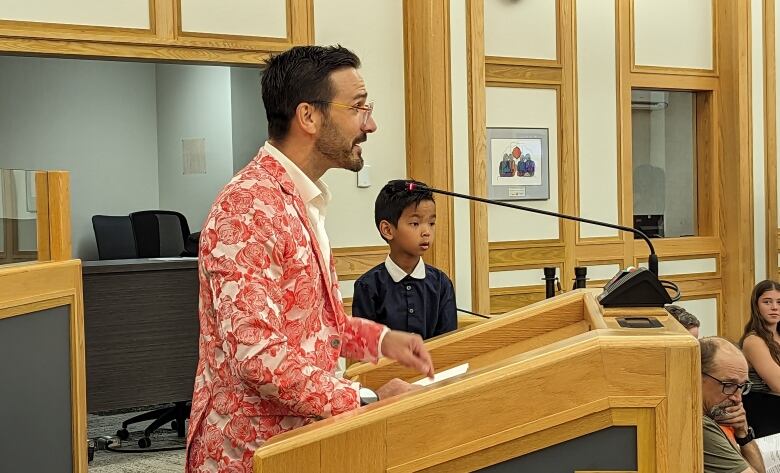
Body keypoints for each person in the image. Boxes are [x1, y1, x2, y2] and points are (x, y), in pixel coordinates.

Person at [185, 45, 435, 473]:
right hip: (250, 455)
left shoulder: (301, 200)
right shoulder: (248, 207)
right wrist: (367, 399)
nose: (369, 124)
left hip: (301, 442)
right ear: (309, 116)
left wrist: (379, 341)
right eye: (358, 108)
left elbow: (309, 324)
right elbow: (258, 357)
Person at [351, 180, 457, 340]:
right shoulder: (368, 287)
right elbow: (365, 347)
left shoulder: (441, 284)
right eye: (415, 223)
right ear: (387, 230)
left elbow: (448, 343)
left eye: (432, 223)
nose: (427, 232)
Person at [700, 337, 765, 473]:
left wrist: (743, 434)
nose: (738, 398)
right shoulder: (700, 425)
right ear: (696, 376)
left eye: (742, 386)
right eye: (728, 385)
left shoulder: (713, 415)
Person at [739, 280, 780, 437]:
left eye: (779, 302)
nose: (774, 307)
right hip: (765, 410)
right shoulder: (753, 341)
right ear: (756, 306)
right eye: (767, 302)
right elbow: (778, 385)